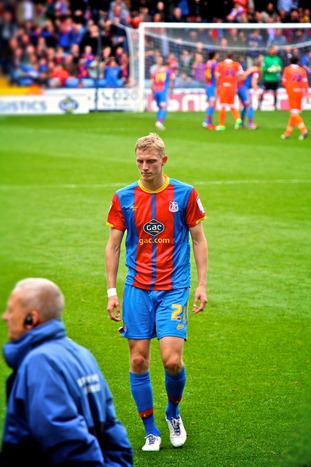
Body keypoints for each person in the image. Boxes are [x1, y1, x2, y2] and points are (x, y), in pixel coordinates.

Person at [105, 133, 208, 452]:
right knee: (138, 359)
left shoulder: (185, 193)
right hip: (136, 289)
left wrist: (202, 284)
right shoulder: (123, 197)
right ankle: (150, 429)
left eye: (151, 161)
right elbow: (113, 246)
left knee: (172, 360)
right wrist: (111, 290)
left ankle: (173, 413)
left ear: (164, 160)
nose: (145, 167)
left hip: (174, 288)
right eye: (139, 161)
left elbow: (199, 240)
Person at [0, 278, 133, 467]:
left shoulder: (40, 362)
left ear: (32, 319)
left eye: (11, 310)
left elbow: (65, 439)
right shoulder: (82, 354)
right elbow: (112, 429)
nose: (5, 317)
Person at [281, 55, 309, 141]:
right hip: (299, 93)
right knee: (294, 113)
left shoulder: (287, 69)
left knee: (294, 113)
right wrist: (307, 94)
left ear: (290, 61)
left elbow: (283, 82)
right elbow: (305, 83)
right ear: (298, 61)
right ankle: (287, 133)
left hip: (292, 92)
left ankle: (303, 130)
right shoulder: (302, 70)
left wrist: (289, 87)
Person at [214, 51, 244, 131]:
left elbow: (217, 77)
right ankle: (238, 119)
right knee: (232, 105)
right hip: (233, 88)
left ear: (225, 56)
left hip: (224, 87)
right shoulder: (237, 64)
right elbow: (241, 75)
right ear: (232, 57)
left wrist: (218, 86)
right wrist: (235, 81)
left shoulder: (220, 65)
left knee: (223, 106)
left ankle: (222, 125)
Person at [150, 55, 175, 130]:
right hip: (162, 92)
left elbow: (151, 83)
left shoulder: (157, 72)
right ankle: (159, 122)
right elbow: (171, 83)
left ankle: (159, 122)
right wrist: (171, 92)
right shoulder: (169, 72)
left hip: (156, 91)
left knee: (159, 107)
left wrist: (152, 92)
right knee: (164, 107)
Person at [259, 45, 283, 110]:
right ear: (269, 50)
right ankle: (259, 105)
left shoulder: (277, 59)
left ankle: (275, 106)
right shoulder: (265, 59)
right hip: (267, 78)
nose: (273, 51)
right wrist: (268, 69)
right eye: (272, 49)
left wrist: (277, 68)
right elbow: (262, 68)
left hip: (275, 78)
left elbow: (280, 67)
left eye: (274, 50)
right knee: (264, 91)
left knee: (275, 92)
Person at [238, 62, 260, 130]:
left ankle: (241, 123)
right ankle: (250, 124)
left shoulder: (250, 69)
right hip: (244, 89)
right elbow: (253, 83)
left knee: (245, 106)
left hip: (239, 88)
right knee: (250, 105)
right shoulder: (256, 72)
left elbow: (242, 76)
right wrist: (257, 91)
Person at [202, 50, 219, 130]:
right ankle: (206, 121)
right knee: (212, 104)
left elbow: (205, 75)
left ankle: (209, 122)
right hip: (212, 85)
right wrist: (217, 85)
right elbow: (216, 75)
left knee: (210, 104)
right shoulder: (214, 63)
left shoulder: (208, 63)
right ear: (214, 55)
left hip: (208, 85)